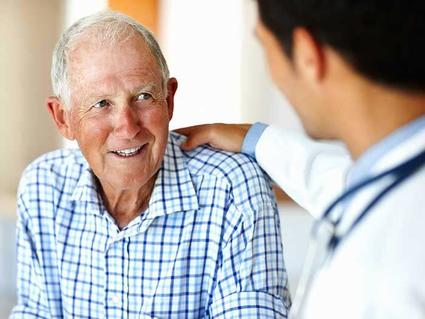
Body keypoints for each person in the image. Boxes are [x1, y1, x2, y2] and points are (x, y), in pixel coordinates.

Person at [11, 12, 291, 318]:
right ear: (62, 118)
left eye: (144, 96)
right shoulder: (43, 186)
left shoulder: (232, 188)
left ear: (169, 100)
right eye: (101, 104)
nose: (128, 127)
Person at [176, 0, 425, 318]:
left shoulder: (394, 263)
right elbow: (347, 185)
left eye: (265, 47)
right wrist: (259, 140)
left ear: (308, 55)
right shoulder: (395, 178)